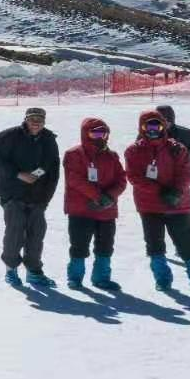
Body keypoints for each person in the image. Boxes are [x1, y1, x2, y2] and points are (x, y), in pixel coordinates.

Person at [126, 109, 190, 295]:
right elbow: (134, 177)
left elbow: (186, 174)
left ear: (163, 126)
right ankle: (162, 278)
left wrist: (176, 191)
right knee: (155, 244)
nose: (153, 130)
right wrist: (160, 191)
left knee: (188, 245)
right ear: (141, 128)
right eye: (148, 126)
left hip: (177, 205)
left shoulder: (177, 148)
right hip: (150, 206)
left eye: (156, 125)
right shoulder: (134, 150)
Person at [0, 107, 59, 286]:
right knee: (15, 233)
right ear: (26, 119)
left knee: (36, 234)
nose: (36, 123)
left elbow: (52, 167)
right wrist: (18, 174)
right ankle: (11, 270)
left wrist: (46, 196)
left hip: (38, 197)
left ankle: (34, 272)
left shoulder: (49, 139)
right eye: (32, 119)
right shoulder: (8, 136)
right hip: (12, 195)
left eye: (40, 120)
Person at [63, 117, 128, 290]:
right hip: (81, 210)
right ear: (86, 134)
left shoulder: (112, 156)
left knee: (105, 246)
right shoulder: (73, 154)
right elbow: (74, 179)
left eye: (102, 132)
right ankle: (75, 277)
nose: (99, 136)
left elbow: (122, 180)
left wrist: (110, 197)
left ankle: (101, 277)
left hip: (106, 210)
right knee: (79, 245)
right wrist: (97, 197)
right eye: (94, 132)